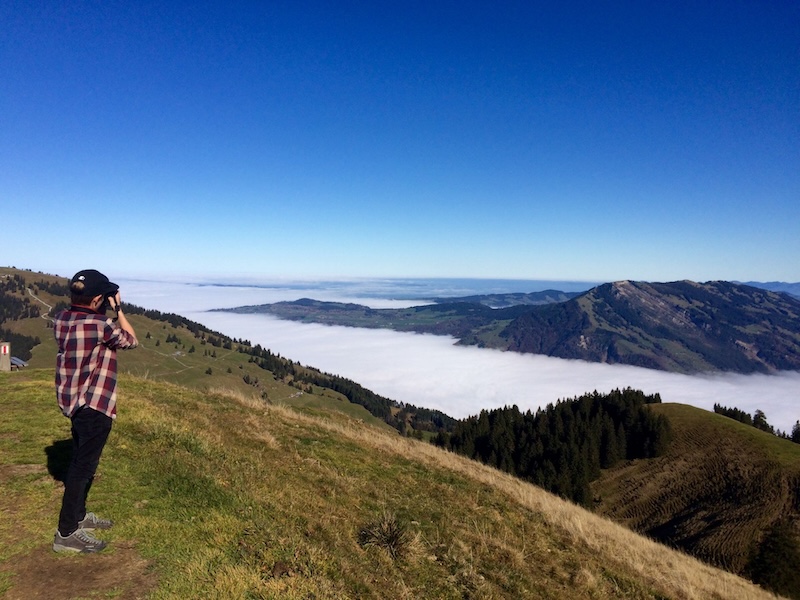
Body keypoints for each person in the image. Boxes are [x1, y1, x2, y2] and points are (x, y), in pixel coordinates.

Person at [52, 269, 138, 553]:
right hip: (94, 404)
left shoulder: (62, 319)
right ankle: (66, 533)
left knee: (79, 458)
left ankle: (78, 516)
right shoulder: (100, 325)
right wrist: (119, 309)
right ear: (99, 299)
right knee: (82, 468)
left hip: (72, 401)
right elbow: (130, 339)